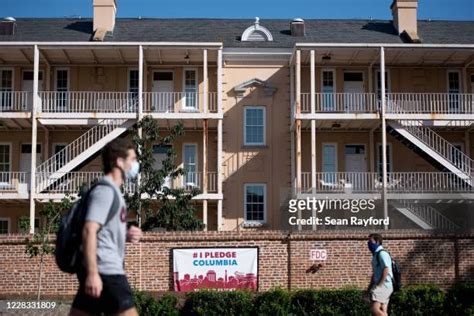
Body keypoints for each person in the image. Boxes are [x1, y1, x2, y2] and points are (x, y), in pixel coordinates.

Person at [70, 138, 143, 316]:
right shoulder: (105, 191)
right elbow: (89, 229)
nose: (136, 164)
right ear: (119, 162)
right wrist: (93, 274)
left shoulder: (113, 191)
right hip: (107, 272)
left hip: (102, 271)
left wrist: (125, 233)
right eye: (133, 159)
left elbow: (102, 230)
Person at [367, 233, 393, 316]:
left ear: (377, 241)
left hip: (384, 285)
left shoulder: (382, 253)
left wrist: (379, 285)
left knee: (374, 309)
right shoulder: (375, 255)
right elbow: (375, 273)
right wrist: (370, 286)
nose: (369, 244)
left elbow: (386, 269)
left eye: (371, 241)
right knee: (382, 310)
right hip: (383, 285)